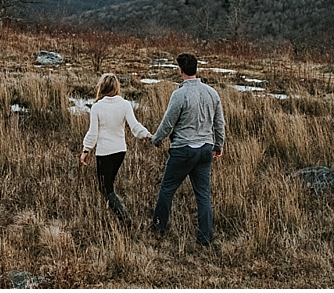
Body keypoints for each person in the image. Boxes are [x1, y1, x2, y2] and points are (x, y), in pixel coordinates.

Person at [150, 53, 225, 246]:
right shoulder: (212, 93)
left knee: (167, 188)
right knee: (203, 194)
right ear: (196, 68)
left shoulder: (180, 94)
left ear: (180, 70)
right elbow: (219, 124)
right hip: (205, 149)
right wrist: (218, 146)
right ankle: (205, 237)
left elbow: (168, 123)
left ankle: (159, 226)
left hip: (183, 149)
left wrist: (156, 139)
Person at [80, 72, 151, 224]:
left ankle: (124, 218)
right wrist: (147, 134)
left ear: (102, 87)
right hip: (120, 151)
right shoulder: (125, 104)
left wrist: (86, 150)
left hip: (105, 152)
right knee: (108, 185)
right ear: (116, 87)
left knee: (105, 189)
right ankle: (112, 215)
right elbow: (135, 126)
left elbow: (93, 132)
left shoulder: (97, 107)